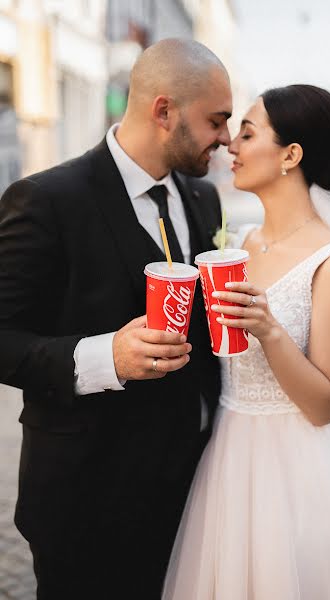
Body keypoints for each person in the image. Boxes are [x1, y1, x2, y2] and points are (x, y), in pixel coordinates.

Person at [0, 39, 232, 599]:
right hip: (87, 500)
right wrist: (108, 356)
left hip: (192, 492)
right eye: (217, 120)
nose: (226, 137)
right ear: (163, 111)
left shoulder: (203, 198)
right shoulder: (47, 199)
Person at [162, 85, 330, 599]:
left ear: (291, 155)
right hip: (228, 454)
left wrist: (269, 331)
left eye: (247, 134)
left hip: (299, 468)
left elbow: (323, 404)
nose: (233, 146)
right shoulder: (241, 243)